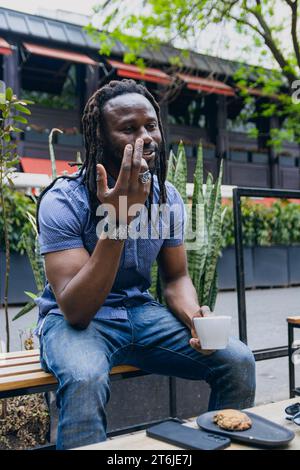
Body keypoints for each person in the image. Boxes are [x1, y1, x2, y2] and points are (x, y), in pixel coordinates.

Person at [35, 79, 255, 450]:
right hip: (78, 323)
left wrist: (194, 318)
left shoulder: (166, 196)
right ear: (100, 139)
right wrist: (120, 218)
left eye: (150, 125)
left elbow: (177, 276)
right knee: (85, 377)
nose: (147, 137)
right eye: (128, 129)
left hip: (141, 313)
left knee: (237, 359)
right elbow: (76, 309)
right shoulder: (63, 200)